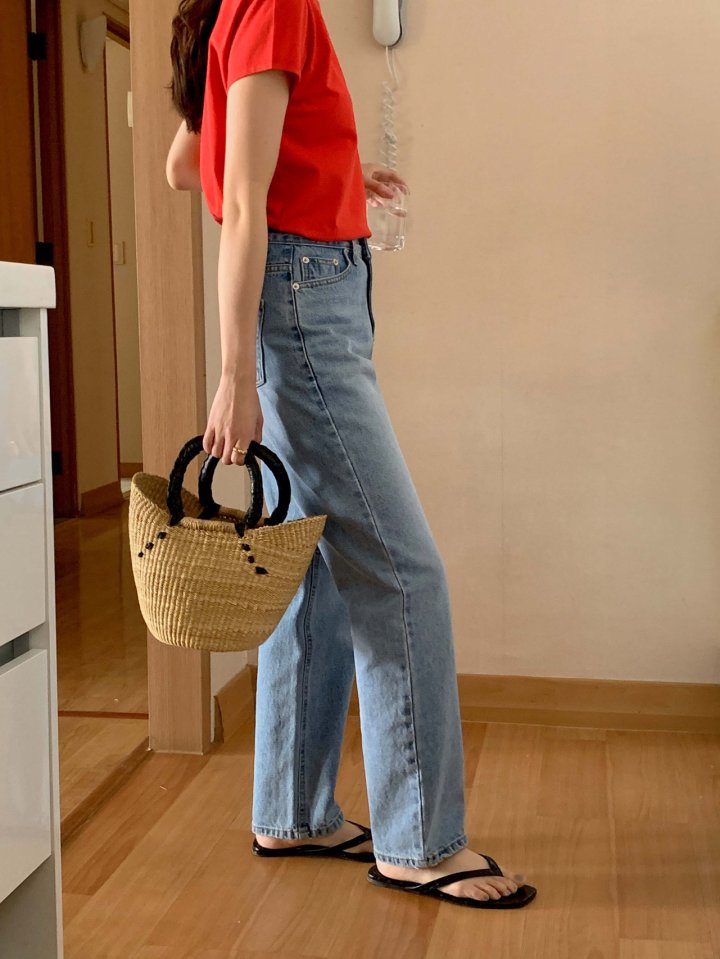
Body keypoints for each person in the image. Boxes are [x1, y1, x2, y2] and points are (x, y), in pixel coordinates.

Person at [166, 0, 536, 909]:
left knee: (317, 569)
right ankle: (420, 842)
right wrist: (233, 377)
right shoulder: (276, 3)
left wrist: (332, 173)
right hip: (304, 305)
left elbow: (187, 164)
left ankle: (293, 810)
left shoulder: (233, 10)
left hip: (303, 290)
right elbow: (240, 201)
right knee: (404, 572)